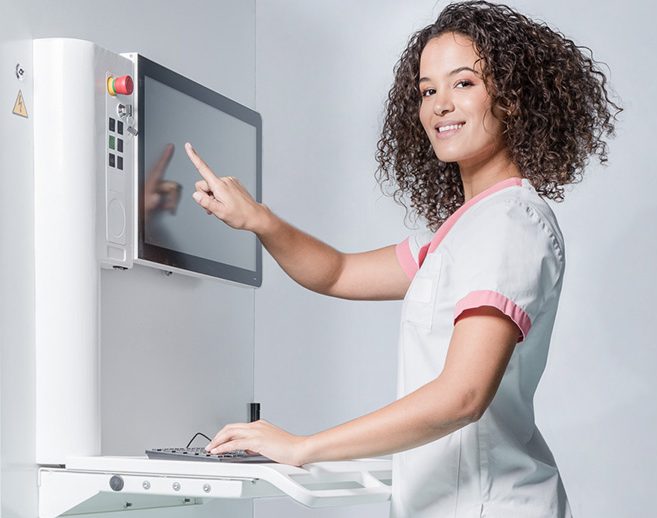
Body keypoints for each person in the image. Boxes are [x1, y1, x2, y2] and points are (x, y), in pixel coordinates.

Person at [185, 2, 620, 516]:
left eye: (463, 84)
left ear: (513, 97)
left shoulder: (509, 225)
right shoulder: (465, 230)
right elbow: (337, 272)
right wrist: (259, 220)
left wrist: (304, 447)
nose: (440, 105)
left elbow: (463, 395)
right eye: (427, 90)